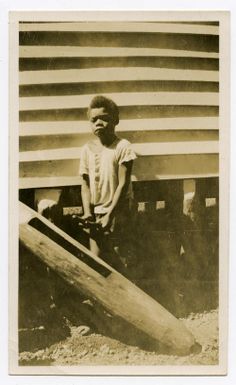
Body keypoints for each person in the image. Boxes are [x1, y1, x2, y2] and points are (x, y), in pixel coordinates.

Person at [79, 95, 137, 270]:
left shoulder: (122, 147)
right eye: (93, 120)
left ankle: (126, 296)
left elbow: (123, 183)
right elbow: (85, 185)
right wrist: (88, 213)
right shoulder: (87, 149)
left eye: (104, 118)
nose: (98, 123)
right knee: (95, 261)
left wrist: (110, 215)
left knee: (120, 260)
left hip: (119, 212)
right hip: (97, 213)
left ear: (116, 120)